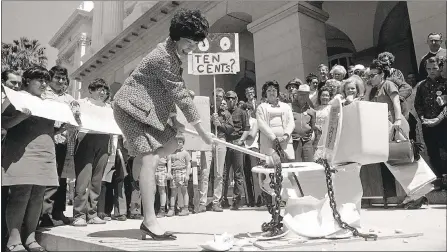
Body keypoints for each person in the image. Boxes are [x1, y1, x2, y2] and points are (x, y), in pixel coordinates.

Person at [112, 9, 213, 240]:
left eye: (196, 43)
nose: (193, 48)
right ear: (177, 37)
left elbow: (163, 93)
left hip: (149, 113)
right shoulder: (163, 57)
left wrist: (175, 120)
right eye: (190, 43)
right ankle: (149, 221)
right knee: (150, 159)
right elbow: (179, 93)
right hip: (129, 110)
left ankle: (136, 160)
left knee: (169, 146)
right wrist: (200, 130)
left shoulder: (173, 54)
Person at [2, 66, 55, 252]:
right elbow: (3, 122)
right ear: (27, 81)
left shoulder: (47, 103)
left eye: (46, 80)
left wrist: (65, 128)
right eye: (39, 79)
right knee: (21, 194)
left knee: (37, 196)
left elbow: (48, 129)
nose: (44, 83)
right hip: (22, 153)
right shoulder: (16, 97)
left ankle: (30, 238)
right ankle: (13, 241)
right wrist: (21, 116)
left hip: (44, 152)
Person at [72, 78, 112, 226]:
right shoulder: (81, 103)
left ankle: (92, 213)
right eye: (99, 89)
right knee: (83, 179)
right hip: (85, 139)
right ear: (91, 90)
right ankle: (79, 214)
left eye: (105, 90)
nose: (103, 92)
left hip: (104, 140)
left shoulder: (108, 107)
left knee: (96, 180)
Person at [40, 66, 74, 227]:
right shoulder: (43, 95)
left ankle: (58, 211)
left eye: (63, 79)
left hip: (64, 142)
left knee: (62, 178)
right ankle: (44, 213)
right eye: (57, 78)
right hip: (46, 140)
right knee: (48, 178)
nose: (61, 81)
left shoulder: (69, 99)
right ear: (50, 78)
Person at [414, 56, 447, 185]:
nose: (431, 71)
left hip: (443, 123)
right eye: (428, 69)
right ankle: (438, 178)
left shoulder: (445, 83)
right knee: (433, 152)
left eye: (434, 68)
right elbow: (418, 104)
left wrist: (439, 119)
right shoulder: (422, 85)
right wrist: (422, 118)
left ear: (440, 68)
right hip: (427, 124)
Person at [222, 90, 250, 210]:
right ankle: (223, 200)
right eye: (228, 99)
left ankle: (237, 200)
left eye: (233, 98)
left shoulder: (242, 112)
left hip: (238, 143)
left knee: (238, 173)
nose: (230, 101)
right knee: (224, 173)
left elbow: (247, 128)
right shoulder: (223, 112)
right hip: (226, 143)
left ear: (236, 99)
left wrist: (241, 140)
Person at [210, 89, 233, 212]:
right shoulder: (208, 110)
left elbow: (230, 129)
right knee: (205, 171)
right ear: (213, 97)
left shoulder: (226, 114)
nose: (218, 98)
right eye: (216, 96)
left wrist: (219, 124)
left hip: (220, 140)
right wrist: (210, 119)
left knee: (219, 172)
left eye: (221, 96)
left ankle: (216, 201)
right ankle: (202, 202)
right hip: (208, 140)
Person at [290, 85, 318, 161]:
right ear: (297, 94)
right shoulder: (290, 108)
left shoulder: (311, 111)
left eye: (306, 95)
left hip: (307, 141)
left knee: (309, 164)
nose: (303, 96)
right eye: (301, 94)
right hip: (294, 140)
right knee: (295, 165)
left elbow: (313, 126)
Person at [166, 134, 191, 217]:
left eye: (180, 142)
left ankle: (186, 208)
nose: (178, 144)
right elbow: (169, 162)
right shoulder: (171, 153)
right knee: (173, 192)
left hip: (182, 172)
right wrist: (169, 172)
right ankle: (172, 209)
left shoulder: (185, 153)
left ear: (183, 143)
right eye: (177, 142)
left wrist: (187, 174)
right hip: (174, 172)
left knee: (184, 190)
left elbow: (188, 164)